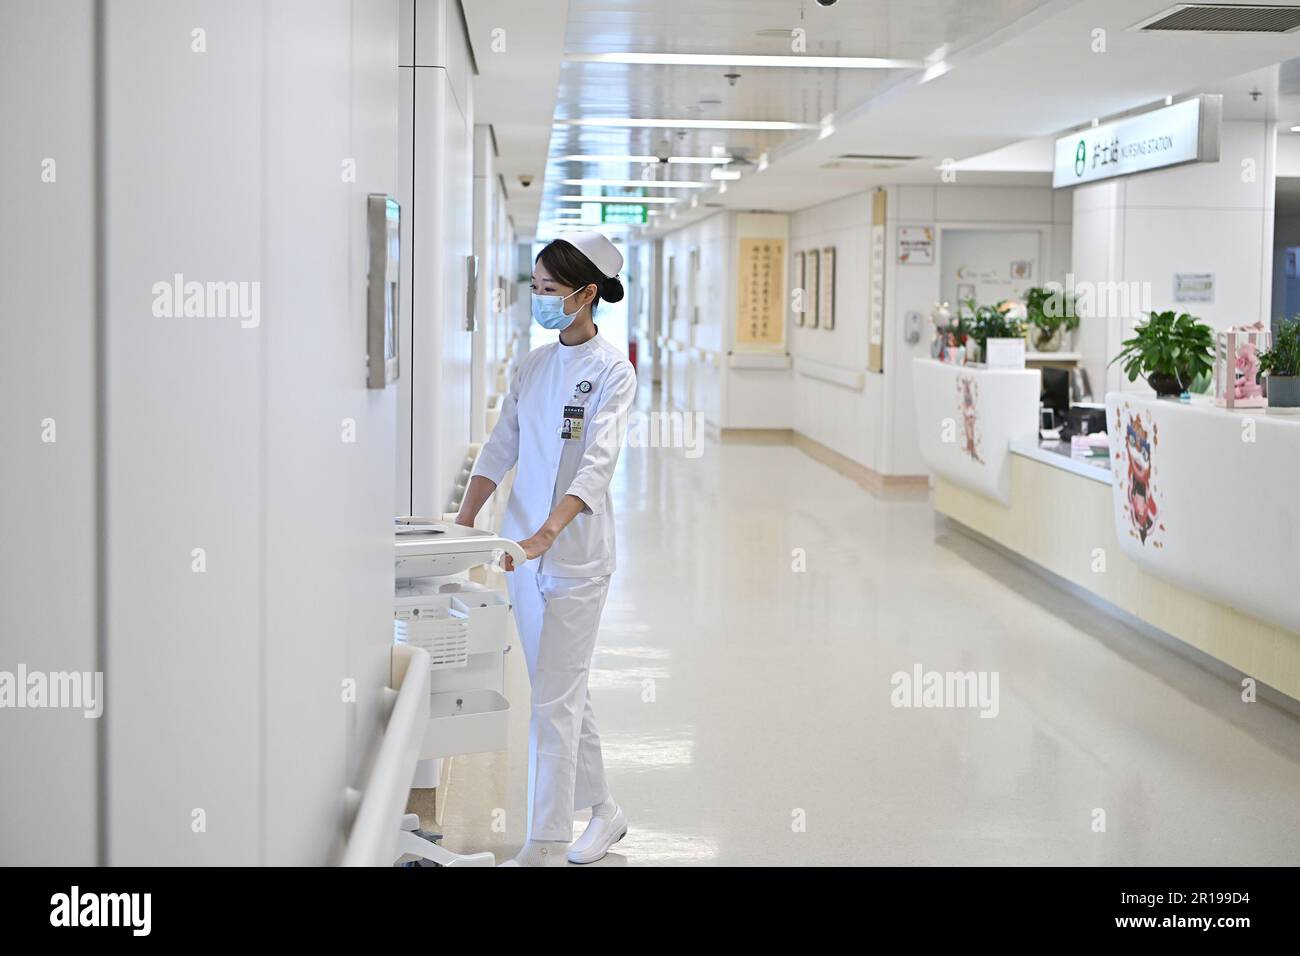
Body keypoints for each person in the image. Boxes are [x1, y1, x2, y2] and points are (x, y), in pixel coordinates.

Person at [456, 231, 636, 866]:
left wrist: (545, 535)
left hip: (575, 558)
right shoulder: (532, 366)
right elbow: (501, 445)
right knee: (559, 688)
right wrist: (464, 520)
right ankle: (606, 812)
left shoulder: (614, 371)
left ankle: (547, 841)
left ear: (587, 295)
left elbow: (596, 467)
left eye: (552, 290)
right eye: (535, 288)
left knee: (554, 703)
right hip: (520, 556)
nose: (541, 300)